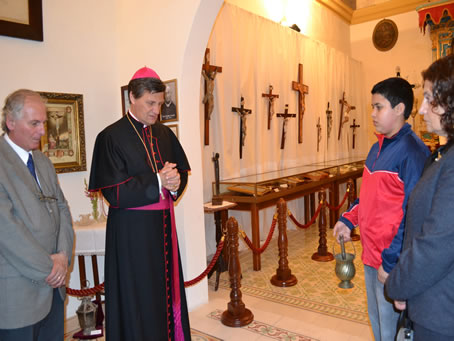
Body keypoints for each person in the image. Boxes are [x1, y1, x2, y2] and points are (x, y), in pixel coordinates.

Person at [89, 67, 191, 340]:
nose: (156, 110)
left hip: (164, 228)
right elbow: (114, 193)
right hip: (132, 233)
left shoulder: (165, 134)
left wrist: (175, 184)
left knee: (165, 292)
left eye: (159, 103)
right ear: (131, 97)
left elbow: (180, 173)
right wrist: (158, 182)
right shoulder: (110, 137)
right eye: (150, 103)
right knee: (140, 295)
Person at [333, 77, 430, 341]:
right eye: (372, 107)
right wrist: (348, 220)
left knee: (393, 332)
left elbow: (414, 215)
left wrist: (391, 262)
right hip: (370, 255)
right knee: (378, 325)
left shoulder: (413, 152)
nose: (373, 114)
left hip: (391, 262)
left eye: (379, 107)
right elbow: (368, 197)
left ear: (399, 109)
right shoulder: (376, 148)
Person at [386, 54, 454, 340]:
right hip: (428, 300)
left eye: (430, 98)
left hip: (442, 314)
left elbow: (436, 244)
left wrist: (397, 285)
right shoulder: (442, 156)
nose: (422, 109)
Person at [0, 89, 74, 341]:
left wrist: (63, 256)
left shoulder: (43, 161)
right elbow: (7, 231)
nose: (43, 131)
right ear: (10, 122)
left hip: (54, 291)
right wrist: (50, 268)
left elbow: (63, 209)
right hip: (18, 293)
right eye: (34, 123)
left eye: (44, 122)